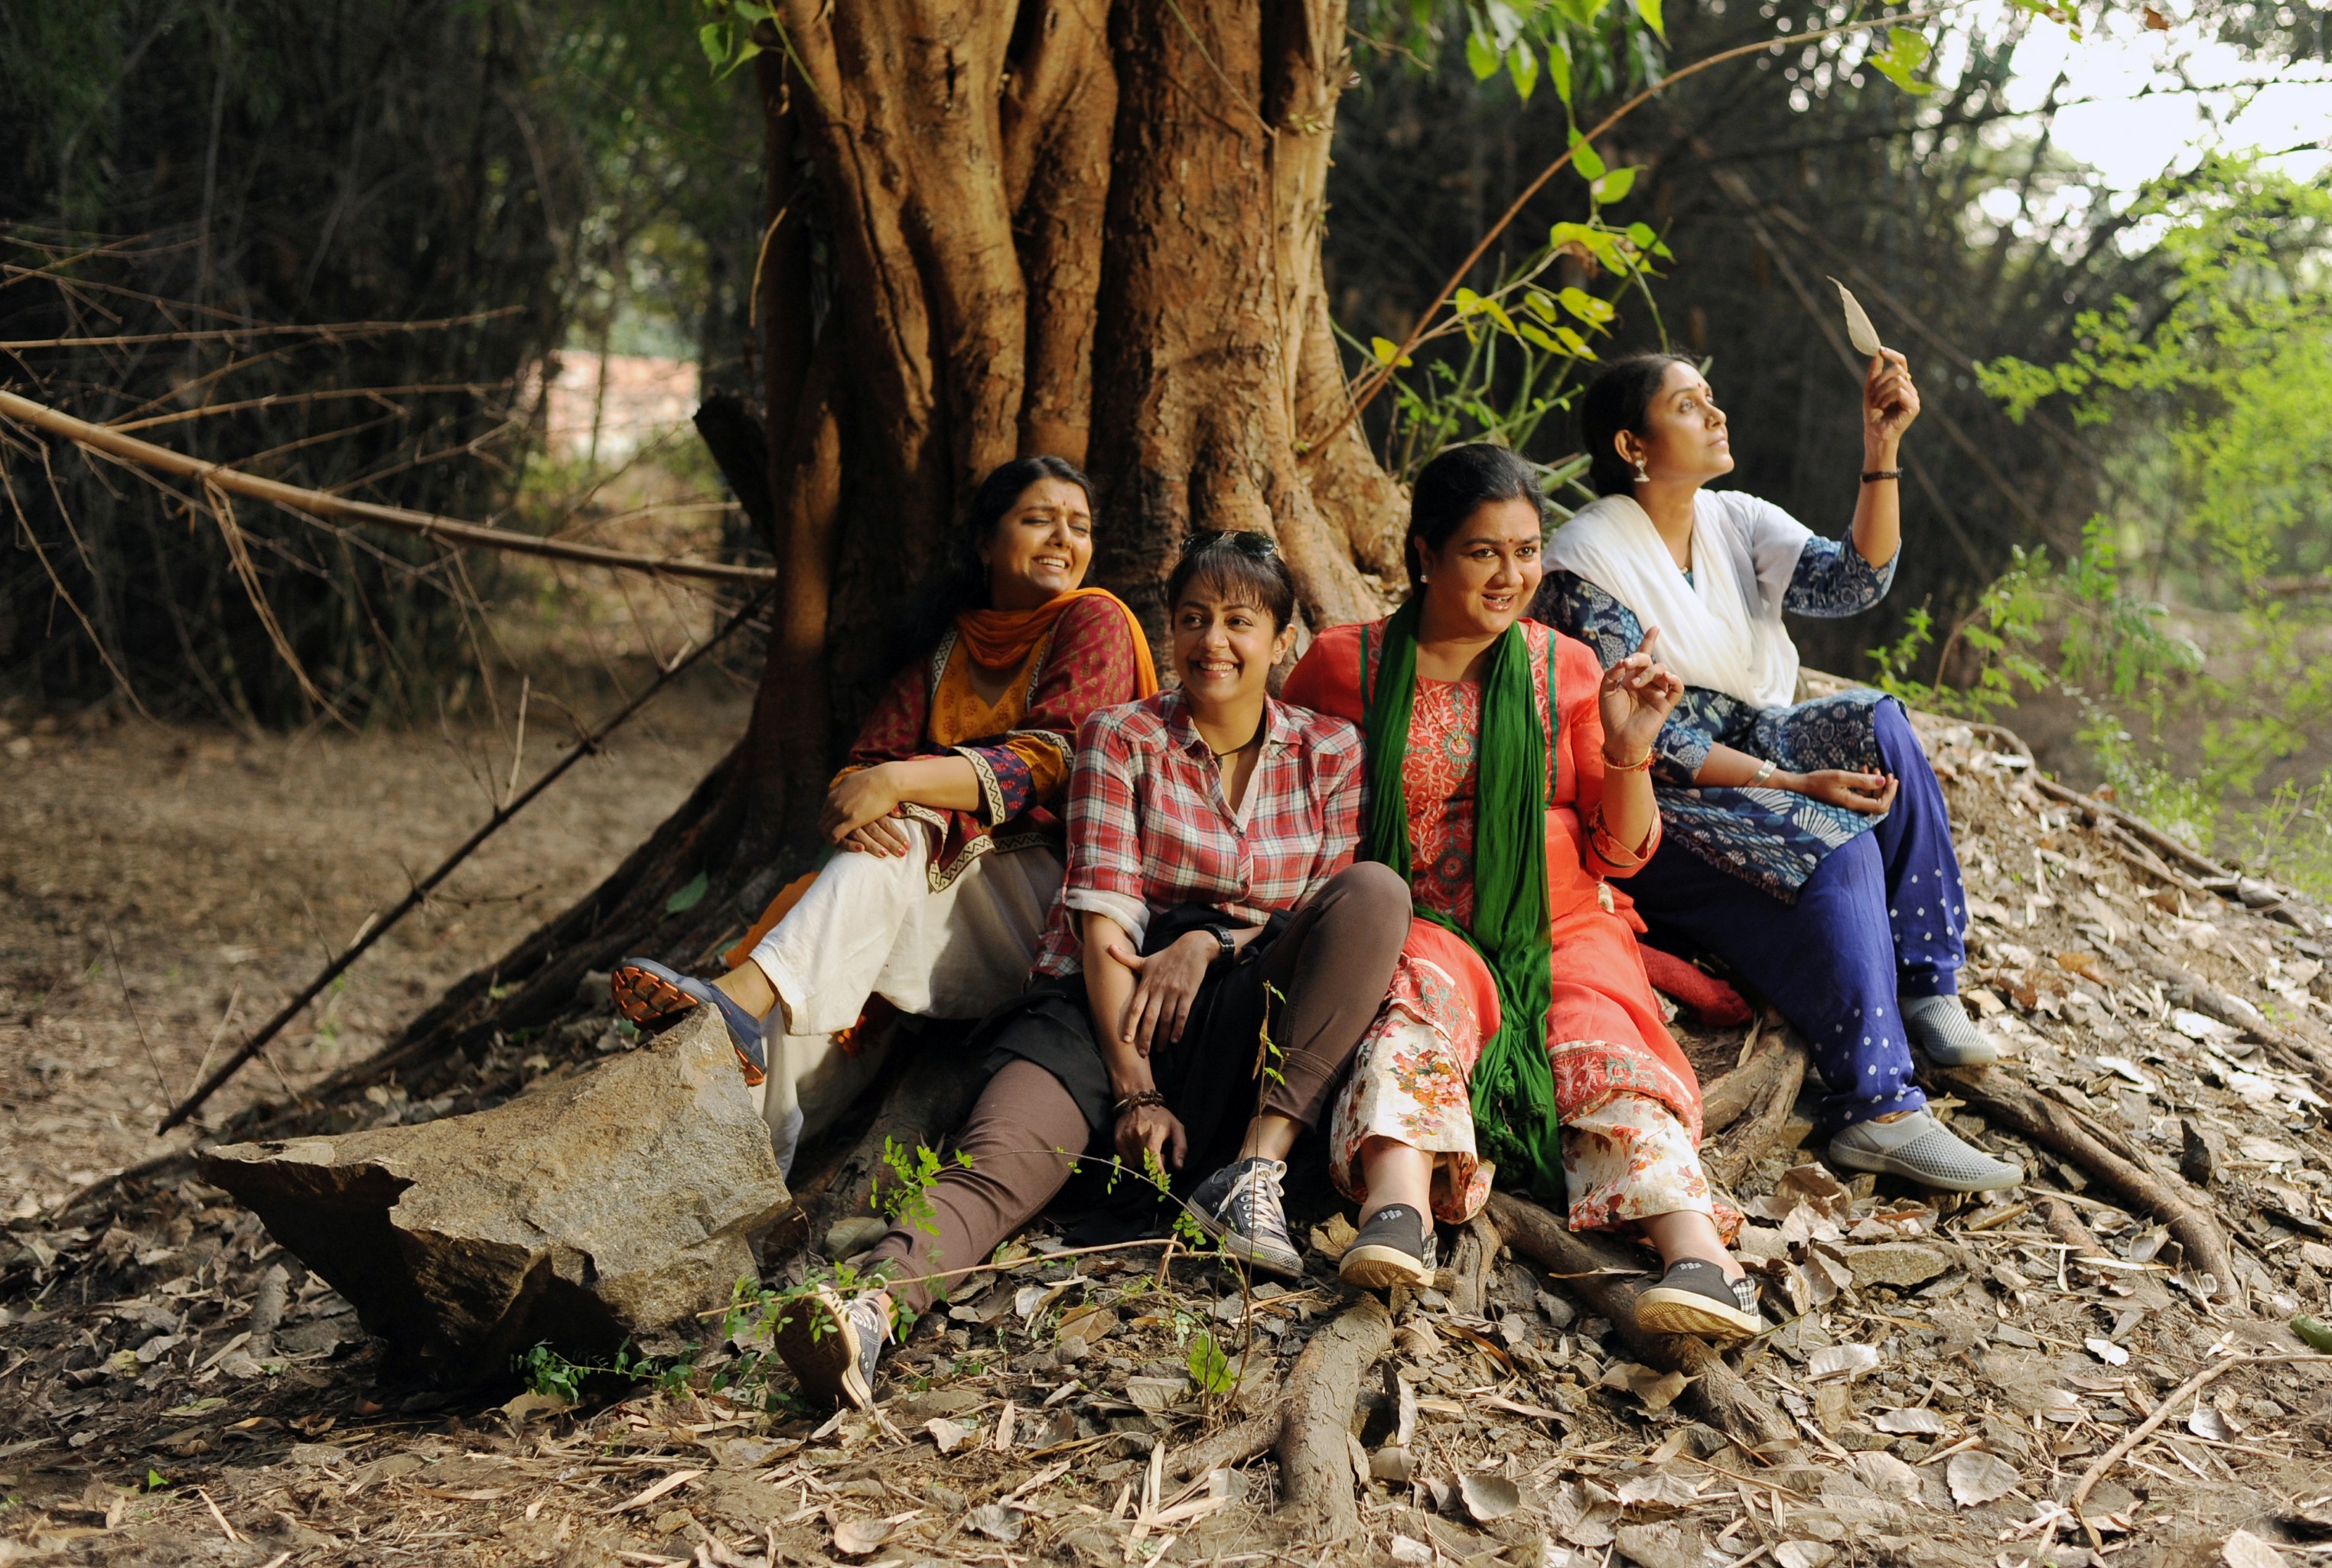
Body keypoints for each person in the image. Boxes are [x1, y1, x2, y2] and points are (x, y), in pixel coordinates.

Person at [774, 532, 1412, 1409]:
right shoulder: (1122, 737)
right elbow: (1105, 912)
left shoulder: (1332, 752)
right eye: (1192, 620)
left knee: (1376, 893)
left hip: (1251, 1007)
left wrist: (1213, 943)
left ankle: (1254, 1172)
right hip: (1104, 1002)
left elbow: (1320, 907)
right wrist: (1136, 1087)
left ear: (1281, 640)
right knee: (1001, 1156)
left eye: (1238, 621)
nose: (1212, 643)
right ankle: (869, 1306)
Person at [1283, 444, 1760, 1341]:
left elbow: (1620, 852)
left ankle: (1701, 1259)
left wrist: (1631, 744)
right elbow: (1287, 802)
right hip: (1417, 922)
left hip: (1564, 927)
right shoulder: (1344, 666)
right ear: (1425, 554)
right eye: (1483, 552)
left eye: (1527, 550)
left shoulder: (1565, 669)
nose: (1512, 575)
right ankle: (1399, 1213)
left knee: (1599, 1041)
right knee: (1413, 1005)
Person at [1529, 349, 2021, 1194]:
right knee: (1839, 839)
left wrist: (1881, 448)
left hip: (1762, 733)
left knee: (1880, 722)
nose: (1716, 415)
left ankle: (1925, 986)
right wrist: (1792, 787)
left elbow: (1852, 581)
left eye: (1711, 399)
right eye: (1689, 406)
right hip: (1661, 784)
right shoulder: (1586, 560)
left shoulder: (1735, 518)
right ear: (1632, 444)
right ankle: (1878, 1108)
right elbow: (1647, 734)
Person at [609, 456, 1158, 1172]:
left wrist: (900, 782)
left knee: (905, 829)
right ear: (986, 542)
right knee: (815, 979)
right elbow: (861, 770)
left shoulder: (1096, 619)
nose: (1063, 538)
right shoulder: (945, 645)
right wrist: (865, 800)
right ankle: (738, 1174)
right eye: (1038, 519)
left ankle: (738, 994)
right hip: (929, 903)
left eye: (1078, 526)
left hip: (1049, 920)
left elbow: (1051, 758)